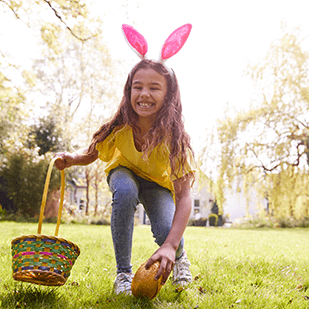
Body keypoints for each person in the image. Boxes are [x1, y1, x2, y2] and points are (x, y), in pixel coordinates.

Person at [54, 24, 195, 295]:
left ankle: (179, 259)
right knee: (126, 190)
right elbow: (91, 153)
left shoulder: (176, 139)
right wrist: (71, 159)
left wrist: (170, 244)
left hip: (157, 184)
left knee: (166, 229)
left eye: (154, 88)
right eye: (137, 87)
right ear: (128, 90)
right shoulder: (120, 125)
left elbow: (184, 196)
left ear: (168, 95)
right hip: (125, 172)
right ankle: (123, 273)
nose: (144, 94)